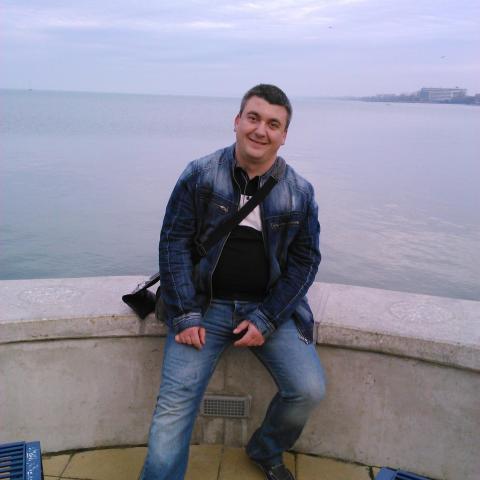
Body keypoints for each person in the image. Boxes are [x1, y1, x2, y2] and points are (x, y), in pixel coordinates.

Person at [141, 84, 326, 480]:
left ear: (284, 135)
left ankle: (265, 449)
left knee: (308, 390)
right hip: (203, 308)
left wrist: (267, 318)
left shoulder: (299, 192)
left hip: (267, 309)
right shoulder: (200, 175)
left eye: (273, 124)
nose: (261, 130)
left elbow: (305, 262)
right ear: (237, 121)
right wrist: (185, 313)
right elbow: (173, 243)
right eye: (253, 118)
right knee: (173, 410)